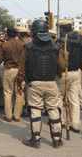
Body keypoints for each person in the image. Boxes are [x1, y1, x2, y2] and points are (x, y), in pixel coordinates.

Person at [17, 20, 63, 148]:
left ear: (35, 33)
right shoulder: (56, 47)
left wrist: (19, 83)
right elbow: (63, 66)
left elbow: (21, 69)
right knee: (53, 109)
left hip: (34, 84)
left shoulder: (27, 47)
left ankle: (35, 140)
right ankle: (57, 140)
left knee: (35, 110)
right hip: (51, 84)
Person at [56, 21, 82, 133]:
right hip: (77, 71)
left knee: (58, 97)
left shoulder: (63, 41)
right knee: (74, 98)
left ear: (62, 29)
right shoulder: (80, 41)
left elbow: (58, 58)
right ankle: (76, 124)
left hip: (64, 72)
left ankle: (60, 120)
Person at [0, 27, 25, 122]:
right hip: (20, 71)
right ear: (16, 34)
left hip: (9, 70)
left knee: (8, 93)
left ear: (7, 34)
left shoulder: (4, 45)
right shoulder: (23, 44)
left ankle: (8, 116)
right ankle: (17, 116)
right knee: (19, 92)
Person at [15, 26, 31, 117]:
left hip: (22, 69)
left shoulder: (21, 43)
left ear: (19, 35)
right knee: (28, 91)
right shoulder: (31, 42)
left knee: (22, 91)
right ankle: (28, 108)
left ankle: (24, 109)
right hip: (30, 70)